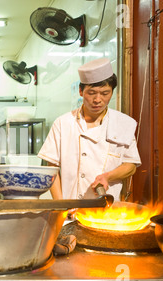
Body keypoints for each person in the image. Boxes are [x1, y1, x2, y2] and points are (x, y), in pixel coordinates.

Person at [38, 58, 141, 202]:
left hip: (106, 210)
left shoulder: (123, 123)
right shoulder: (63, 123)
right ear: (81, 91)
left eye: (105, 93)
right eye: (92, 93)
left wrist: (107, 176)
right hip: (70, 209)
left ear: (112, 92)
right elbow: (51, 170)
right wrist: (60, 205)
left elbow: (131, 165)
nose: (98, 99)